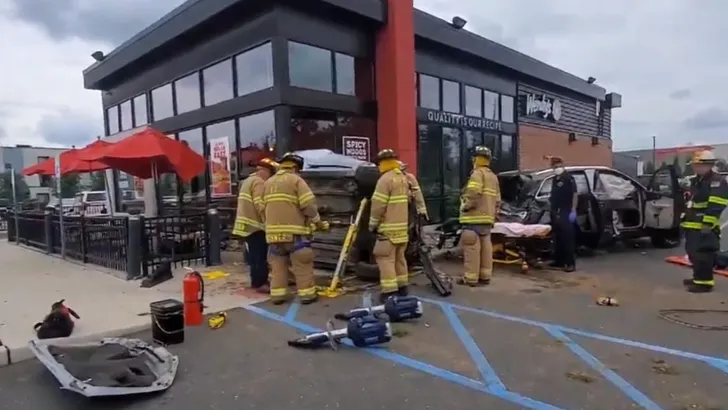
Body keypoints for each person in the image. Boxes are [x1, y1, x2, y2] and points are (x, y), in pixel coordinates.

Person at [263, 152, 329, 305]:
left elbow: (261, 207)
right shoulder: (296, 181)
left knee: (278, 267)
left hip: (273, 235)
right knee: (302, 264)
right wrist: (318, 222)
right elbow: (308, 206)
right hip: (295, 235)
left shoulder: (268, 183)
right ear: (295, 166)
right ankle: (307, 295)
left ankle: (278, 296)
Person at [681, 150, 728, 293]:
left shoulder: (717, 181)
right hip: (692, 224)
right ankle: (697, 277)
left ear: (709, 165)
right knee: (693, 252)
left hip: (704, 225)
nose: (695, 167)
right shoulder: (697, 180)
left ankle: (704, 283)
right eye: (694, 165)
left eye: (698, 165)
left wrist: (708, 223)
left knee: (704, 254)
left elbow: (717, 203)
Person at [231, 158, 278, 293]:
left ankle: (257, 280)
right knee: (260, 255)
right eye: (270, 173)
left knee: (253, 255)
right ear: (265, 171)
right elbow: (260, 204)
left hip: (246, 224)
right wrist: (268, 221)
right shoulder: (259, 182)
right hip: (256, 225)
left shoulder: (248, 181)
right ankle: (260, 283)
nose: (270, 177)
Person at [370, 149, 411, 302]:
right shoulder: (403, 178)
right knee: (400, 258)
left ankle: (389, 292)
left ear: (381, 163)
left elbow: (378, 205)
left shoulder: (385, 179)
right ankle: (402, 287)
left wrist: (372, 224)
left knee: (384, 258)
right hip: (402, 229)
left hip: (387, 229)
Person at [459, 146, 500, 286]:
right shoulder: (493, 177)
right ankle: (485, 276)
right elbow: (498, 200)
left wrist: (466, 206)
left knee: (472, 250)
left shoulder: (477, 174)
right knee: (486, 250)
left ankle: (470, 278)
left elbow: (473, 193)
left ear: (476, 159)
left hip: (473, 219)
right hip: (487, 220)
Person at [547, 156, 578, 272]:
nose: (556, 168)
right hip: (556, 211)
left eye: (558, 166)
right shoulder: (555, 179)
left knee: (567, 238)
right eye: (554, 167)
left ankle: (570, 263)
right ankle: (559, 261)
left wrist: (573, 209)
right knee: (557, 237)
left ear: (562, 165)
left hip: (566, 211)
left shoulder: (569, 178)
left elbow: (575, 194)